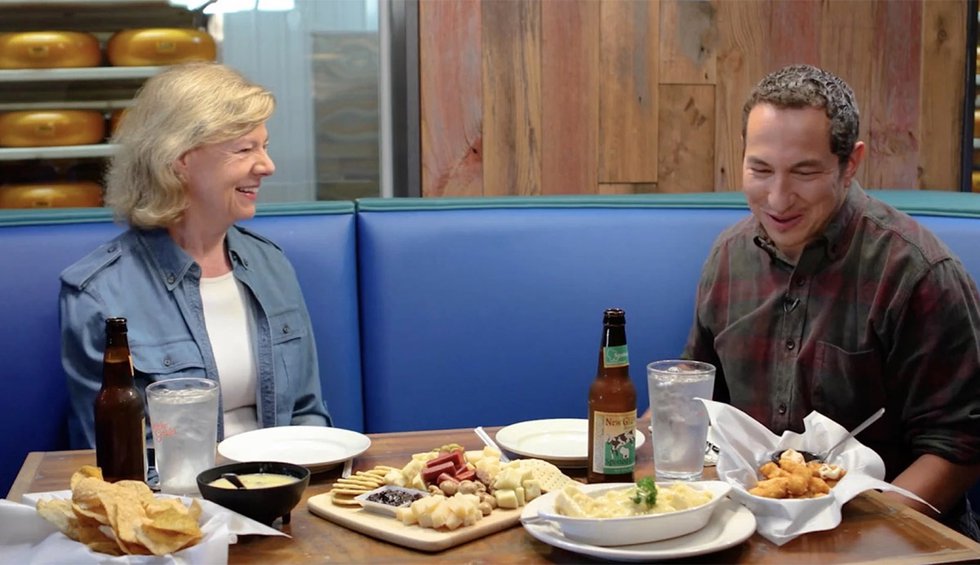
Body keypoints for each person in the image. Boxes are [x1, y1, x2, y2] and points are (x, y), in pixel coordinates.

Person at [684, 64, 980, 538]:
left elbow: (961, 446)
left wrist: (860, 538)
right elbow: (693, 397)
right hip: (750, 528)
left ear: (851, 163)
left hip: (893, 534)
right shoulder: (727, 259)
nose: (778, 199)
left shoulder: (918, 273)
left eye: (805, 172)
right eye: (760, 169)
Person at [61, 62, 331, 450]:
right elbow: (117, 460)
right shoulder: (97, 294)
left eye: (265, 147)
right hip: (178, 503)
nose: (267, 166)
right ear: (180, 160)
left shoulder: (271, 265)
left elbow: (308, 414)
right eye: (244, 149)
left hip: (282, 492)